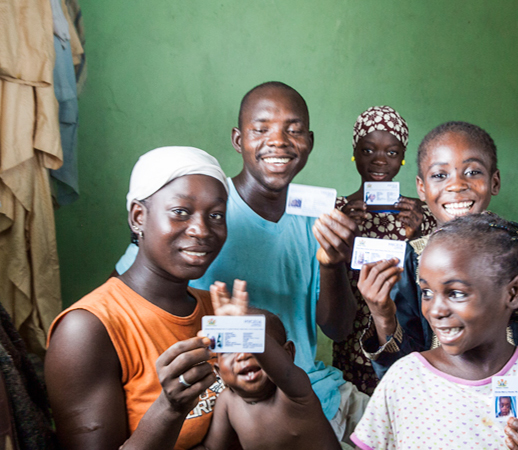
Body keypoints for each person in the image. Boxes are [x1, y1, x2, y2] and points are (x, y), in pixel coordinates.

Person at [114, 82, 367, 441]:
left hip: (312, 389)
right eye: (261, 129)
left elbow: (338, 328)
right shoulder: (208, 210)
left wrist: (332, 264)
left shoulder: (317, 218)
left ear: (309, 141)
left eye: (293, 130)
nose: (278, 141)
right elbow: (124, 290)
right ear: (238, 140)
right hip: (236, 400)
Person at [356, 121, 518, 448]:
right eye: (440, 175)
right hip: (440, 411)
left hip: (517, 410)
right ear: (422, 187)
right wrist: (383, 316)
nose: (456, 186)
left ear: (494, 181)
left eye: (472, 172)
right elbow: (402, 374)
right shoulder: (414, 258)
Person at [45, 147, 245, 450]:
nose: (202, 230)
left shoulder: (216, 312)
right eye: (181, 212)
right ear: (139, 216)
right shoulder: (87, 329)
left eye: (215, 215)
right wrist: (169, 408)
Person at [351, 213, 518, 450]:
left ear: (513, 293)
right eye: (426, 293)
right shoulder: (405, 377)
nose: (435, 310)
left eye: (456, 293)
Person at [333, 105, 436, 395]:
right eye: (368, 151)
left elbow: (431, 283)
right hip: (351, 340)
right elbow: (327, 282)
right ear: (355, 151)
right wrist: (346, 236)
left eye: (391, 152)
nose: (380, 161)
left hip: (407, 341)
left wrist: (415, 236)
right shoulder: (338, 211)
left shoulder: (420, 213)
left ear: (403, 157)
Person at [192, 279, 345, 450]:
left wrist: (245, 328)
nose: (242, 355)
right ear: (219, 371)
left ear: (287, 354)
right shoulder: (227, 402)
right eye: (230, 350)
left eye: (252, 344)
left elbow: (284, 372)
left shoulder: (294, 393)